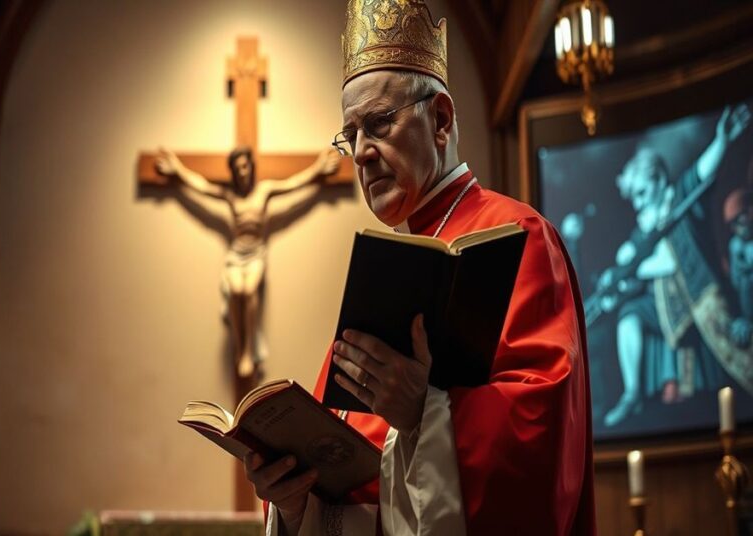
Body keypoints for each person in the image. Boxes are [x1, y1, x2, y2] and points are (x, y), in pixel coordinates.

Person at [245, 1, 595, 534]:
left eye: (379, 123)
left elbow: (538, 450)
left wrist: (419, 414)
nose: (362, 152)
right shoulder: (388, 270)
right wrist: (292, 503)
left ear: (441, 118)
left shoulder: (518, 238)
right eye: (351, 135)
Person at [600, 105, 749, 427]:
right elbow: (633, 263)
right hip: (661, 306)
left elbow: (702, 173)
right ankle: (632, 392)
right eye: (634, 198)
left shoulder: (680, 198)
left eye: (641, 194)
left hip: (698, 298)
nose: (638, 203)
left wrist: (721, 141)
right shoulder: (643, 227)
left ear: (658, 180)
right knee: (630, 317)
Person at [156, 146, 340, 378]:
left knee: (249, 289)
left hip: (256, 254)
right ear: (233, 171)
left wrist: (318, 169)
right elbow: (201, 187)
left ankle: (247, 351)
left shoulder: (264, 191)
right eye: (237, 168)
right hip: (236, 254)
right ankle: (239, 346)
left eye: (245, 166)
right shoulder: (230, 196)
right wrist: (177, 170)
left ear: (251, 167)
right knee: (235, 290)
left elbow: (294, 184)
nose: (242, 171)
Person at [724, 188, 753, 347]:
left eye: (739, 220)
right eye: (733, 224)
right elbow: (737, 283)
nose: (737, 228)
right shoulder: (736, 246)